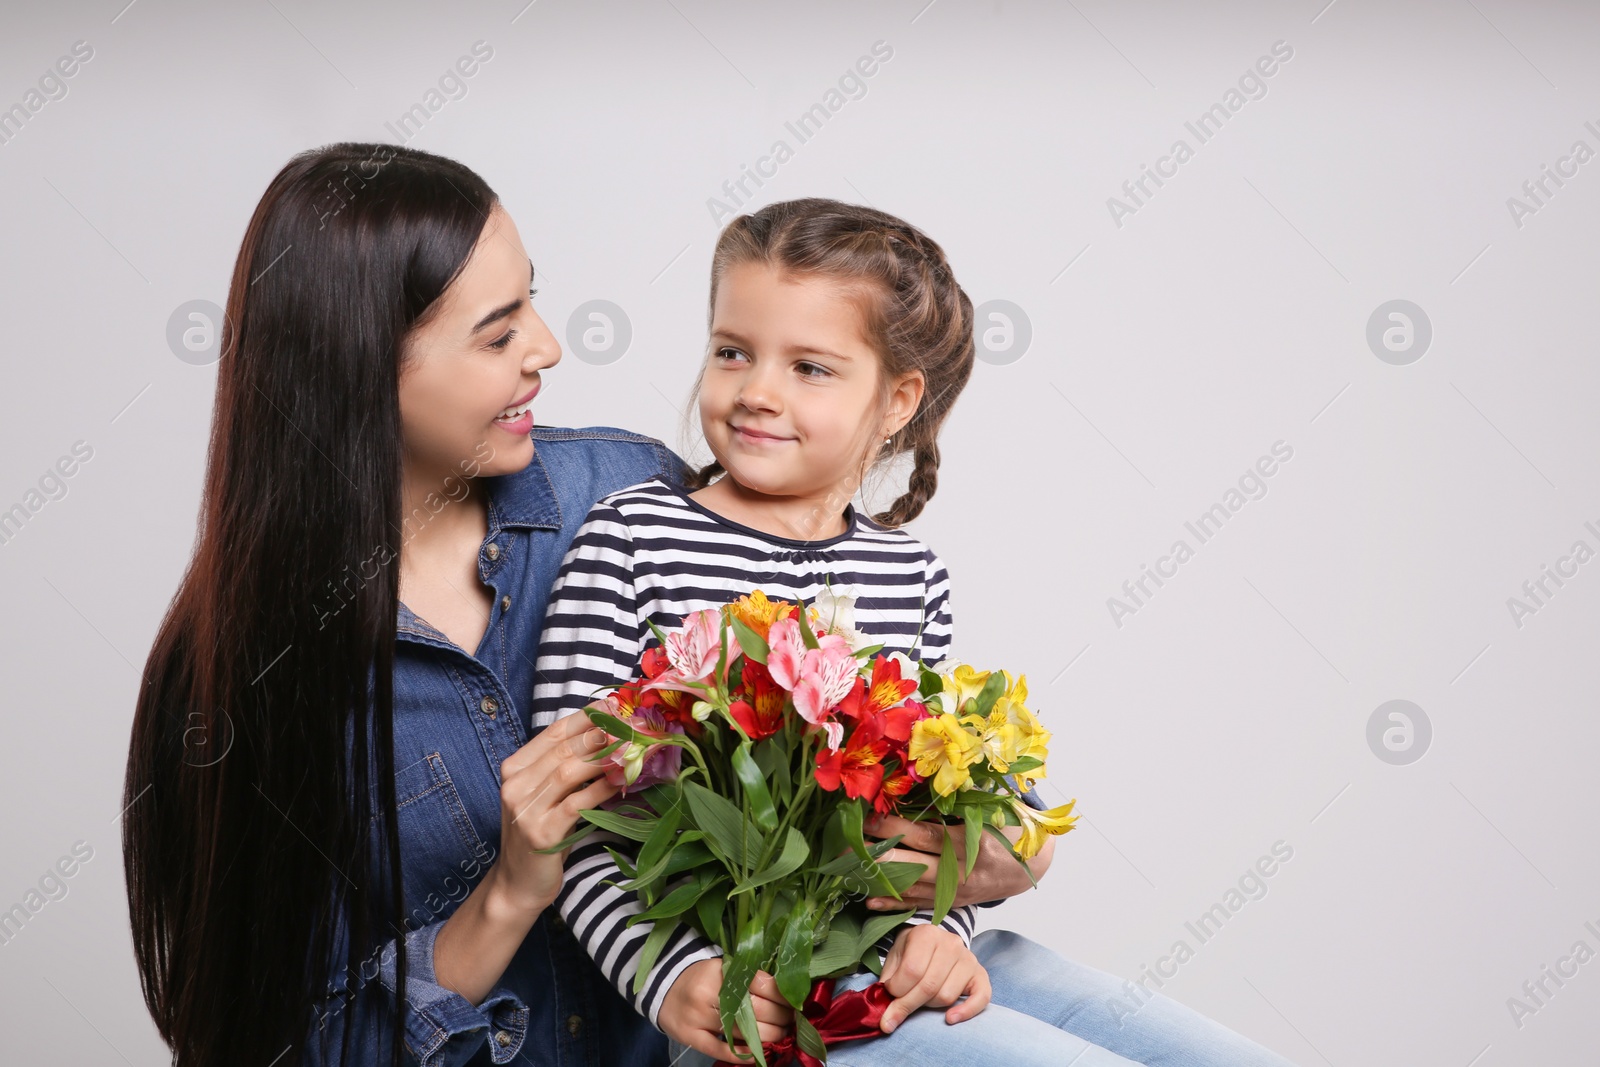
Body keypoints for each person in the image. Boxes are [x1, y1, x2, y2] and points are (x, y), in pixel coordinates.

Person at [120, 144, 1043, 1067]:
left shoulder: (624, 485)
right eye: (496, 332)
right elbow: (289, 1046)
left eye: (531, 298)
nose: (549, 347)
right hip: (710, 1030)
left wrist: (1005, 852)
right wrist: (511, 889)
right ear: (358, 365)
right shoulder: (246, 672)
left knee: (1069, 1007)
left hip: (805, 998)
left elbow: (886, 733)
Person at [530, 198, 1300, 1066]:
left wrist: (946, 927)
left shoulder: (912, 576)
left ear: (897, 399)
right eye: (732, 350)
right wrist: (672, 975)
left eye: (810, 367)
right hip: (767, 992)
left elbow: (938, 813)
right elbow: (573, 822)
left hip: (895, 962)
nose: (757, 390)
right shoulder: (633, 538)